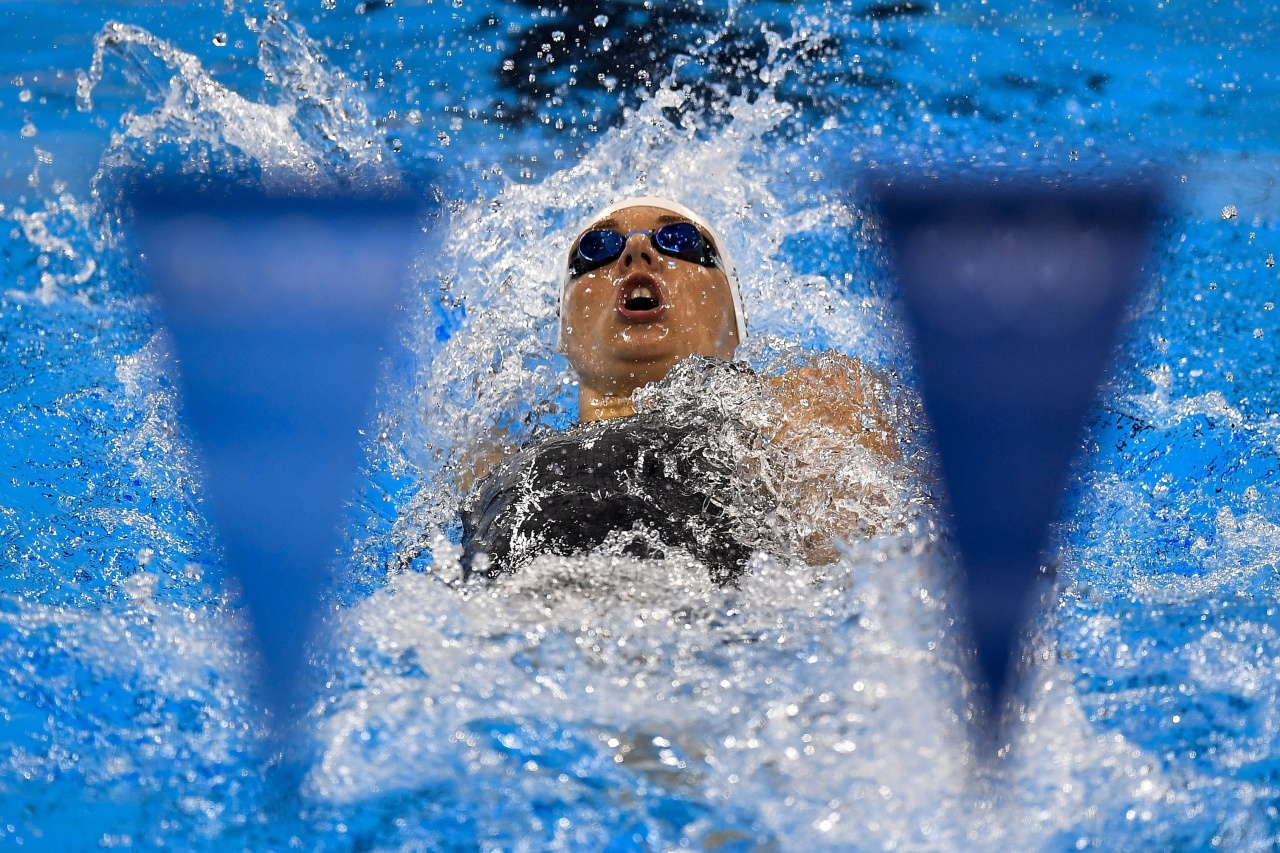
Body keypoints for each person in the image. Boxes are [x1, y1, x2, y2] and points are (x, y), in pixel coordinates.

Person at [459, 197, 902, 584]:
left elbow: (856, 549)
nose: (636, 250)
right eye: (596, 251)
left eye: (679, 239)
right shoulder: (491, 456)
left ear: (734, 319)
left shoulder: (805, 398)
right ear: (565, 336)